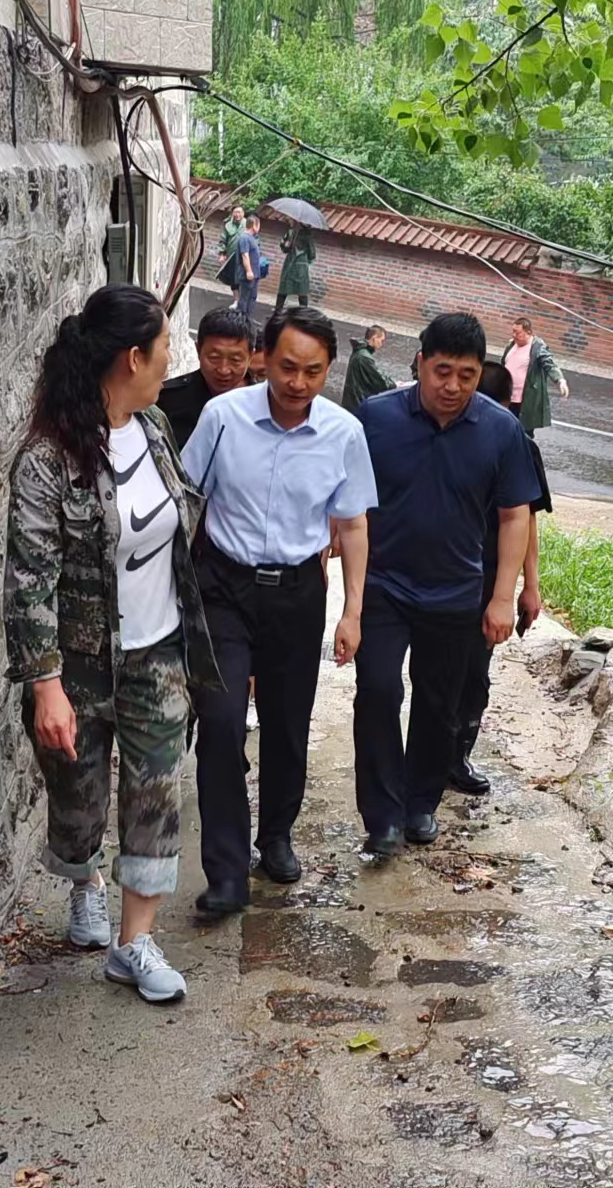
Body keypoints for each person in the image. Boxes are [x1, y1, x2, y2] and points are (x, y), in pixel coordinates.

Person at [3, 283, 219, 1003]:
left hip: (158, 652)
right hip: (79, 665)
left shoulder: (153, 428)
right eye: (163, 350)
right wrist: (46, 686)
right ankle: (84, 877)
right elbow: (29, 579)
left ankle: (135, 945)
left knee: (156, 795)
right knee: (79, 802)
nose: (169, 362)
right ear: (132, 357)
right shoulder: (47, 460)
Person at [183, 307, 376, 915]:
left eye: (313, 372)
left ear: (329, 370)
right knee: (219, 723)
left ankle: (276, 837)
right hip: (223, 588)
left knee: (288, 724)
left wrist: (352, 611)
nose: (298, 382)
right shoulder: (223, 417)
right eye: (288, 367)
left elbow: (353, 524)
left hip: (297, 593)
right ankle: (225, 872)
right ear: (264, 358)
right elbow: (186, 500)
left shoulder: (344, 433)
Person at [353, 313, 539, 855]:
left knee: (438, 705)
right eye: (442, 371)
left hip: (456, 591)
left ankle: (420, 804)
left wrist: (502, 596)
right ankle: (382, 817)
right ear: (420, 363)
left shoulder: (501, 430)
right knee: (378, 693)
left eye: (466, 374)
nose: (453, 386)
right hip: (384, 586)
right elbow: (346, 499)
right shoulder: (376, 418)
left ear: (480, 373)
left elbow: (515, 516)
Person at [450, 361, 553, 797]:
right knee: (448, 671)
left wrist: (527, 586)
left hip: (491, 577)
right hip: (451, 571)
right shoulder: (450, 436)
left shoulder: (518, 446)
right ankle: (435, 755)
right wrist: (530, 586)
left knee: (474, 672)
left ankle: (455, 756)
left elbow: (525, 519)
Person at [158, 306, 254, 448]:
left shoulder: (266, 405)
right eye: (214, 357)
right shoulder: (167, 399)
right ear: (198, 350)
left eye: (235, 360)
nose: (223, 370)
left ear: (250, 356)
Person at [502, 316, 568, 437]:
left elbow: (550, 364)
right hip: (507, 397)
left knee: (524, 435)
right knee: (504, 431)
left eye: (517, 332)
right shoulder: (511, 344)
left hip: (525, 401)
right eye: (513, 331)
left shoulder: (537, 348)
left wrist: (560, 380)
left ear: (528, 333)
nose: (514, 335)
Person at [341, 324, 394, 414]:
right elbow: (379, 381)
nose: (381, 344)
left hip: (353, 402)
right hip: (357, 404)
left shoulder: (360, 352)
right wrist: (393, 384)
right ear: (374, 338)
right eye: (381, 341)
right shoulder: (364, 357)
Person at [273, 225, 317, 315]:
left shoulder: (291, 232)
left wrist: (286, 246)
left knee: (284, 288)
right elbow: (312, 254)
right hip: (301, 265)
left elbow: (283, 247)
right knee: (302, 291)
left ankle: (277, 311)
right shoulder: (308, 236)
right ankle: (304, 313)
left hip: (290, 263)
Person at [235, 215, 265, 324]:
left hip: (254, 275)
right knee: (244, 298)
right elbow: (245, 255)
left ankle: (248, 319)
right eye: (258, 225)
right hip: (247, 275)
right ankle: (240, 321)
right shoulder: (244, 238)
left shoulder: (252, 238)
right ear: (254, 225)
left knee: (252, 297)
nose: (259, 227)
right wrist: (248, 271)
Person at [218, 206, 246, 302]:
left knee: (243, 279)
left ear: (243, 213)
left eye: (239, 212)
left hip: (244, 257)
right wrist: (222, 254)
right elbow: (223, 240)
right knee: (233, 279)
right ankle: (236, 300)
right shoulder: (228, 225)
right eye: (235, 212)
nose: (237, 214)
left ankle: (243, 300)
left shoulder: (248, 225)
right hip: (231, 257)